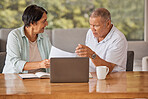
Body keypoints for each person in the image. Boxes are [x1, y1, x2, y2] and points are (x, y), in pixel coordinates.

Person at [75, 8, 128, 73]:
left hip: (112, 79)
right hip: (92, 76)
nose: (92, 29)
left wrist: (92, 55)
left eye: (96, 26)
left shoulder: (118, 39)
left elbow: (108, 69)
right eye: (91, 25)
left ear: (108, 24)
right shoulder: (90, 33)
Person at [3, 5, 51, 73]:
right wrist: (40, 64)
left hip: (40, 78)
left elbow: (51, 58)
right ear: (32, 23)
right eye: (44, 21)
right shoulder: (14, 36)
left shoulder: (44, 36)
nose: (47, 24)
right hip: (15, 78)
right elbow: (15, 64)